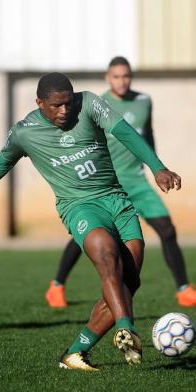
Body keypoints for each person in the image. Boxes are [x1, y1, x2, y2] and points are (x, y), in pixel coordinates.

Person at [0, 72, 181, 370]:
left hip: (116, 200)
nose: (64, 111)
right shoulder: (25, 132)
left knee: (128, 282)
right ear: (40, 103)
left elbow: (125, 132)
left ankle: (75, 353)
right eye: (56, 105)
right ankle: (126, 329)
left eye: (68, 104)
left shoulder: (89, 104)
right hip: (79, 206)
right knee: (106, 252)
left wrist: (158, 167)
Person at [45, 57, 196, 309]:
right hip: (108, 185)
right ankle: (57, 286)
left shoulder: (144, 102)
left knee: (167, 230)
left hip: (137, 181)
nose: (121, 81)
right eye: (116, 76)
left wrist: (155, 166)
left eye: (125, 75)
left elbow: (147, 136)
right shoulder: (96, 104)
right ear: (107, 78)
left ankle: (183, 289)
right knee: (89, 235)